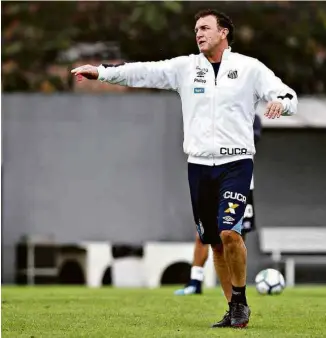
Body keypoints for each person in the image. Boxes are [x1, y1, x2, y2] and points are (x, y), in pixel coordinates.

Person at [71, 9, 298, 329]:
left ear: (224, 33)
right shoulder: (185, 68)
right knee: (214, 242)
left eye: (205, 28)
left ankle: (241, 300)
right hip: (199, 166)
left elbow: (286, 95)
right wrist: (102, 72)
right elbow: (142, 72)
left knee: (230, 231)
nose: (198, 33)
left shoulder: (249, 69)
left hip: (236, 164)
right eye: (195, 29)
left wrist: (282, 104)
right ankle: (234, 309)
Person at [174, 114, 262, 297]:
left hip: (241, 186)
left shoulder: (250, 116)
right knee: (205, 236)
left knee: (234, 238)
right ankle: (196, 281)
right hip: (210, 180)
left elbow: (251, 140)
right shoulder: (210, 111)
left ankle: (237, 292)